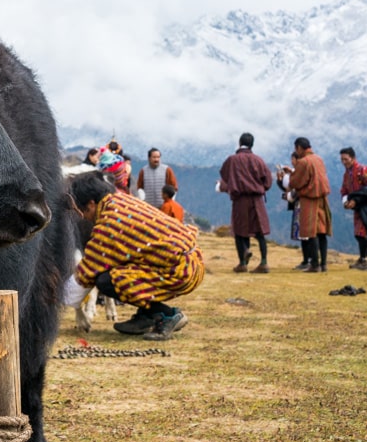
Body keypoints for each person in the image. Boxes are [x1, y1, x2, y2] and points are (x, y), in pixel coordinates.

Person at [70, 171, 203, 339]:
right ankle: (146, 315)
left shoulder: (108, 222)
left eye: (83, 211)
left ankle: (166, 315)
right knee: (120, 269)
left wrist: (52, 298)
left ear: (91, 204)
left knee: (106, 281)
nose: (84, 217)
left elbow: (87, 271)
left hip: (181, 270)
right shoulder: (121, 200)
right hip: (188, 258)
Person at [218, 132, 273, 274]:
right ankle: (264, 262)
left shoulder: (232, 160)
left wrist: (229, 186)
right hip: (257, 200)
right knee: (260, 232)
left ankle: (243, 262)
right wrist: (260, 188)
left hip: (240, 200)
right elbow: (268, 181)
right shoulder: (258, 160)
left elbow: (225, 175)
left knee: (240, 231)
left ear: (239, 143)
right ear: (252, 144)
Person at [287, 137, 332, 272]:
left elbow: (295, 182)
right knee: (321, 231)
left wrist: (290, 175)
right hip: (322, 198)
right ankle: (323, 263)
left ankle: (314, 264)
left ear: (299, 148)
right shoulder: (319, 159)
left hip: (309, 198)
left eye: (296, 149)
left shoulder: (303, 162)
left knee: (310, 231)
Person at [339, 147, 367, 272]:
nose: (344, 162)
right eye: (342, 159)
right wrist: (345, 201)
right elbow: (344, 190)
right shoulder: (347, 174)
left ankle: (364, 260)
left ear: (353, 158)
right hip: (358, 207)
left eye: (346, 159)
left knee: (362, 234)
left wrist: (356, 200)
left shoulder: (364, 170)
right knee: (361, 234)